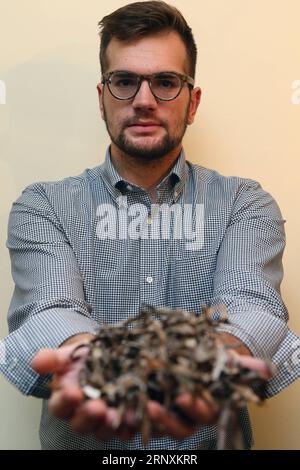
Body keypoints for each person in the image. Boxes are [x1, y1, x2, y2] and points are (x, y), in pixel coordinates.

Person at [0, 0, 299, 450]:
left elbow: (249, 307)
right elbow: (50, 310)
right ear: (102, 98)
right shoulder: (43, 206)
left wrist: (196, 366)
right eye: (124, 81)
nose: (143, 101)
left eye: (165, 82)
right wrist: (111, 369)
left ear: (192, 101)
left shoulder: (245, 203)